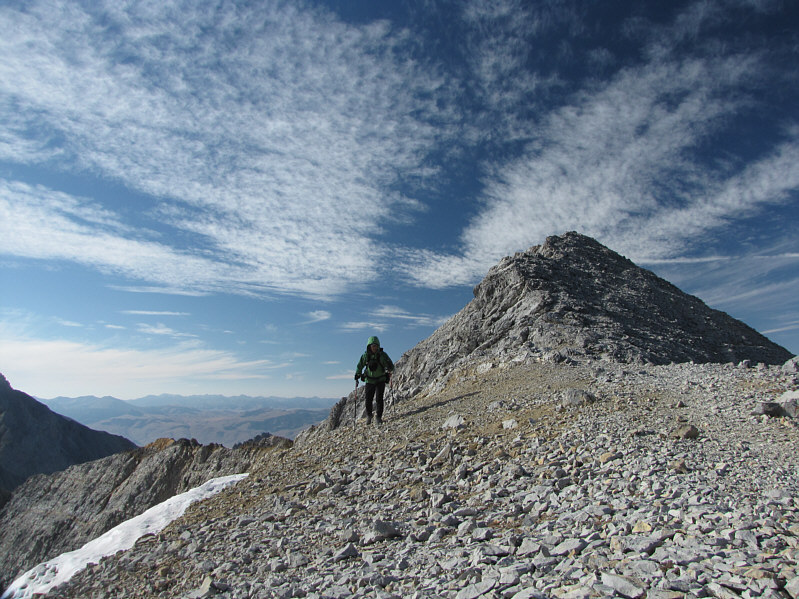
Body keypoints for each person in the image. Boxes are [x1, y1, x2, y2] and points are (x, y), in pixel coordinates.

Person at [354, 335, 394, 425]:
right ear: (369, 346)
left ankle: (378, 417)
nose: (374, 348)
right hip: (369, 380)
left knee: (379, 399)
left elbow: (391, 365)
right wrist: (357, 374)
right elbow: (360, 365)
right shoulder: (366, 355)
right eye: (372, 346)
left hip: (380, 380)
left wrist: (390, 369)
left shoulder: (383, 355)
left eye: (376, 346)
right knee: (368, 399)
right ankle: (369, 416)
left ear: (378, 346)